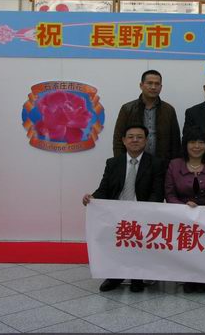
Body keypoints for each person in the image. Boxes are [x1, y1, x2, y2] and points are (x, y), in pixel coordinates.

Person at [82, 124, 164, 293]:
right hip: (116, 213)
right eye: (131, 137)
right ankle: (115, 276)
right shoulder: (113, 163)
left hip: (143, 213)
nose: (135, 140)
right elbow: (104, 189)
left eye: (139, 137)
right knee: (116, 244)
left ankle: (137, 276)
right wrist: (93, 198)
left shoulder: (156, 163)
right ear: (124, 140)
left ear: (146, 141)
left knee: (139, 243)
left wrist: (145, 211)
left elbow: (157, 193)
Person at [165, 125, 205, 293]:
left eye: (201, 142)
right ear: (185, 144)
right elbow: (169, 195)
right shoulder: (174, 165)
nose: (197, 146)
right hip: (183, 218)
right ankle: (189, 277)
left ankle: (204, 277)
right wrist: (183, 207)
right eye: (192, 142)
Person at [113, 70, 181, 165]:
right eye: (149, 83)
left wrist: (174, 167)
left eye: (157, 84)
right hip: (134, 164)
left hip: (162, 164)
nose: (153, 87)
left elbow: (175, 142)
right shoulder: (127, 109)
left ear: (161, 87)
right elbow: (118, 140)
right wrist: (121, 164)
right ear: (141, 85)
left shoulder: (169, 110)